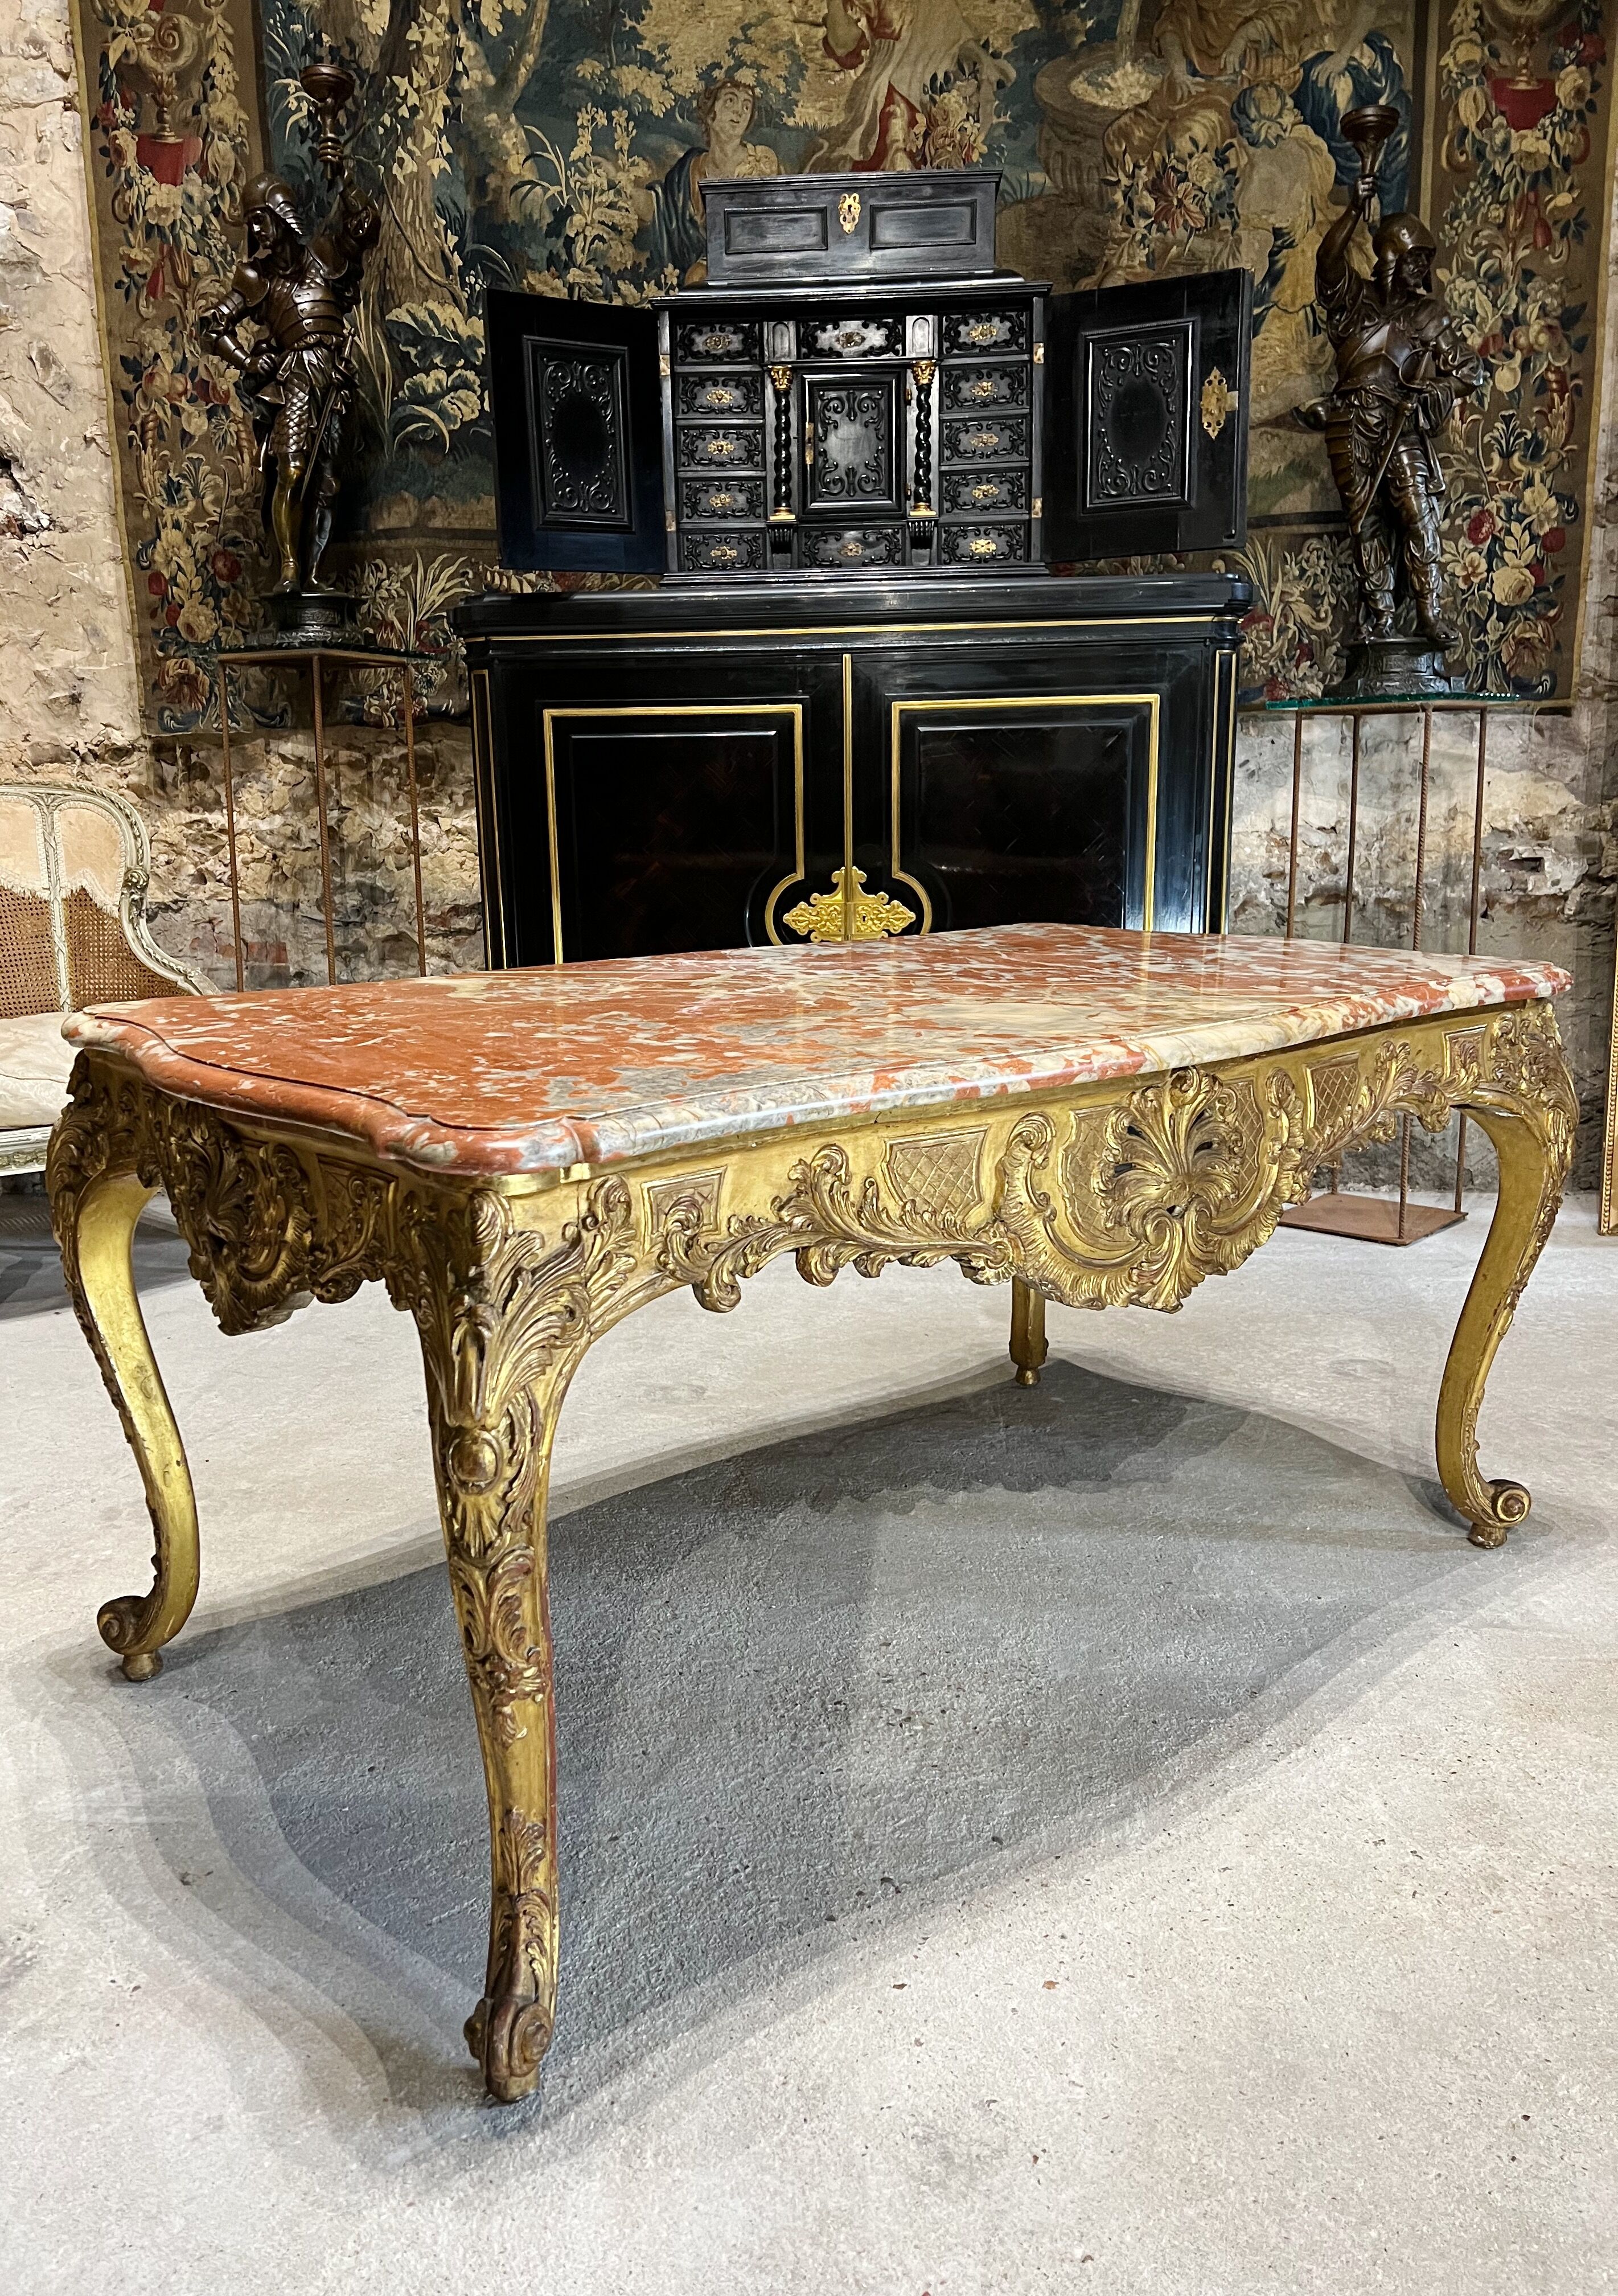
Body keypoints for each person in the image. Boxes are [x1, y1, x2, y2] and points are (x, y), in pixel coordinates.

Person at [1301, 167, 1484, 647]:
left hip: (1401, 426)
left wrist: (1428, 394)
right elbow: (1327, 259)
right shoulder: (1353, 302)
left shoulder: (1428, 315)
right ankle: (1380, 617)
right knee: (1364, 524)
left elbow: (1469, 371)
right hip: (1350, 423)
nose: (1421, 270)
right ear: (1390, 256)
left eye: (1426, 261)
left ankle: (1429, 613)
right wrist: (1355, 210)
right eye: (1414, 259)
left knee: (1417, 514)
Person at [199, 169, 378, 595]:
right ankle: (290, 569)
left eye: (261, 218)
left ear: (282, 215)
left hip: (336, 378)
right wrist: (247, 361)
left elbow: (366, 225)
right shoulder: (255, 278)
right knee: (293, 471)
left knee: (329, 483)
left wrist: (345, 181)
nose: (257, 230)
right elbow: (212, 327)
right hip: (295, 375)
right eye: (252, 222)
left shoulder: (324, 255)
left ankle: (314, 573)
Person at [648, 79, 779, 288]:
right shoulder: (689, 167)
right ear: (710, 114)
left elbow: (760, 229)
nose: (740, 111)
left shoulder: (760, 162)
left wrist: (707, 262)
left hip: (744, 277)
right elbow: (663, 209)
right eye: (730, 101)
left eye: (747, 105)